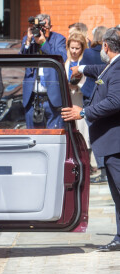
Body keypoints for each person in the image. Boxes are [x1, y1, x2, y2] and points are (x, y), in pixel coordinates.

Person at [62, 27, 120, 253]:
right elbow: (99, 71)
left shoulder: (117, 69)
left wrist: (84, 112)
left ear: (105, 46)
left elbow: (115, 101)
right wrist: (81, 68)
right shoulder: (112, 66)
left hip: (116, 144)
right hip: (112, 143)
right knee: (116, 194)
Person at [20, 14, 67, 129]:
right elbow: (21, 61)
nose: (41, 30)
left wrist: (44, 43)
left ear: (50, 27)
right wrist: (28, 43)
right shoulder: (28, 39)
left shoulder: (58, 39)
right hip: (32, 98)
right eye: (39, 27)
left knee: (53, 137)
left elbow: (62, 58)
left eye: (44, 27)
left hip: (51, 98)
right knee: (32, 137)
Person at [81, 26, 108, 183]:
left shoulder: (89, 53)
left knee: (95, 134)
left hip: (90, 96)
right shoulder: (109, 56)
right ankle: (105, 170)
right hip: (105, 97)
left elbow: (84, 72)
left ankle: (102, 169)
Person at [65, 33, 89, 154]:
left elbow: (89, 83)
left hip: (80, 99)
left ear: (82, 48)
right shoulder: (65, 61)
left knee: (82, 132)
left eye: (77, 48)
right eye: (72, 47)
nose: (74, 51)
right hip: (68, 100)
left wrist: (77, 85)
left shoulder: (84, 62)